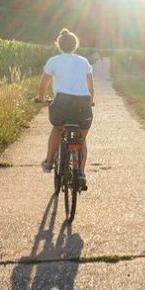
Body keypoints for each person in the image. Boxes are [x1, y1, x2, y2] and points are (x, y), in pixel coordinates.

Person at [38, 28, 95, 188]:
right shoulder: (83, 61)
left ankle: (49, 162)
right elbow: (90, 87)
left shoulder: (54, 61)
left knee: (57, 129)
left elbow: (43, 85)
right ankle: (81, 173)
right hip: (83, 105)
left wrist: (41, 99)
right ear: (75, 45)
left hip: (62, 103)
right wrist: (91, 101)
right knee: (81, 138)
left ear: (59, 45)